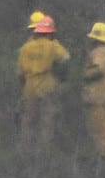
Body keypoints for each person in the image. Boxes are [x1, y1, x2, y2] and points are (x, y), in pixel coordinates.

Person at [17, 11, 69, 148]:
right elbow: (65, 58)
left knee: (28, 121)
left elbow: (20, 72)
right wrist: (61, 77)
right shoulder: (52, 45)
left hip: (29, 88)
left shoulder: (25, 48)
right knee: (47, 120)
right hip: (47, 86)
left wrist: (24, 87)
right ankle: (44, 151)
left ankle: (26, 149)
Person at [81, 21, 105, 157]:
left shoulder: (100, 52)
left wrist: (85, 74)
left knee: (99, 131)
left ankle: (102, 159)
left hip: (99, 98)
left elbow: (99, 69)